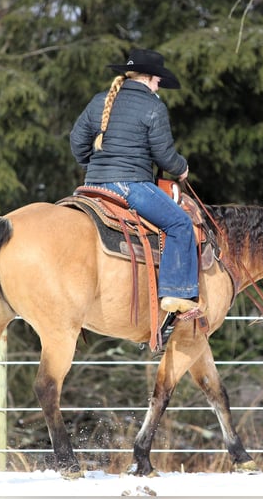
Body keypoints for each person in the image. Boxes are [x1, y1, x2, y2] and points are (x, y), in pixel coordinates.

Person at [70, 47, 199, 314]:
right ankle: (176, 294)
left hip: (91, 186)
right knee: (180, 223)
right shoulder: (153, 106)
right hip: (130, 186)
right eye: (158, 80)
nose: (159, 86)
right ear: (152, 78)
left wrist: (94, 166)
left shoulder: (99, 100)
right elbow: (163, 155)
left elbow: (77, 141)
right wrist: (182, 168)